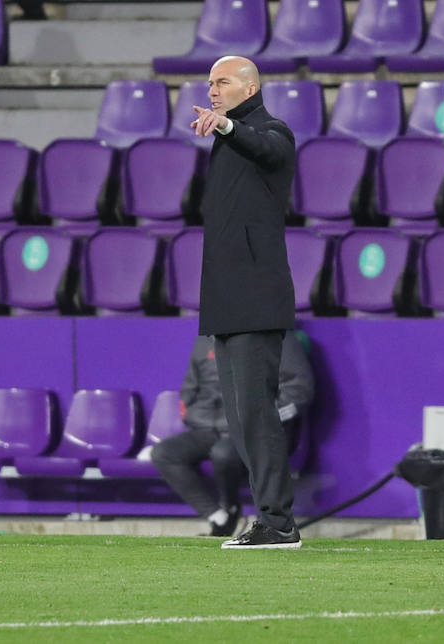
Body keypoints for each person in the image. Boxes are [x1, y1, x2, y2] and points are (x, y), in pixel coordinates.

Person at [189, 55, 302, 549]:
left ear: (250, 87)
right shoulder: (229, 139)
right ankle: (269, 519)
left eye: (223, 82)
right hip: (228, 297)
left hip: (257, 295)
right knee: (240, 419)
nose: (213, 90)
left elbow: (269, 148)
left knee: (256, 412)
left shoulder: (269, 130)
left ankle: (279, 523)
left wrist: (230, 126)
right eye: (210, 83)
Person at [152, 330, 315, 537]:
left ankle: (231, 506)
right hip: (207, 426)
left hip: (252, 430)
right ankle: (218, 517)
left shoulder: (281, 338)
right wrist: (199, 416)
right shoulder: (204, 340)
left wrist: (257, 420)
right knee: (164, 453)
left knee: (224, 453)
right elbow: (189, 390)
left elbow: (299, 391)